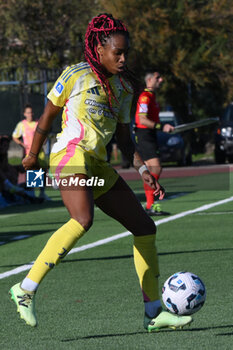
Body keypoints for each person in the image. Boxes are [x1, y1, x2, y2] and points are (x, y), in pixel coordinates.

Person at [9, 13, 192, 332]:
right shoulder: (75, 75)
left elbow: (124, 138)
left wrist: (143, 169)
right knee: (83, 219)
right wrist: (32, 153)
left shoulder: (123, 87)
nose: (123, 59)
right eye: (117, 53)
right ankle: (24, 290)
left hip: (96, 164)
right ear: (99, 49)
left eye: (126, 53)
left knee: (145, 227)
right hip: (69, 156)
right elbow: (47, 117)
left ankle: (153, 312)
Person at [134, 70, 174, 216]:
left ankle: (150, 205)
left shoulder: (152, 96)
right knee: (155, 169)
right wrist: (161, 127)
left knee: (152, 170)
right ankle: (150, 204)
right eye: (158, 78)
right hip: (144, 135)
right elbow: (142, 119)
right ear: (149, 80)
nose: (161, 80)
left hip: (149, 134)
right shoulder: (145, 97)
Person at [12, 104, 50, 201]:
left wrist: (44, 141)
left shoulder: (38, 123)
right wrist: (22, 144)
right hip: (29, 153)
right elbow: (15, 136)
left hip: (40, 153)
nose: (30, 114)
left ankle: (42, 193)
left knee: (42, 171)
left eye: (31, 112)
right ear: (25, 114)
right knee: (31, 171)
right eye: (28, 112)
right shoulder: (22, 125)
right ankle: (32, 193)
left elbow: (44, 134)